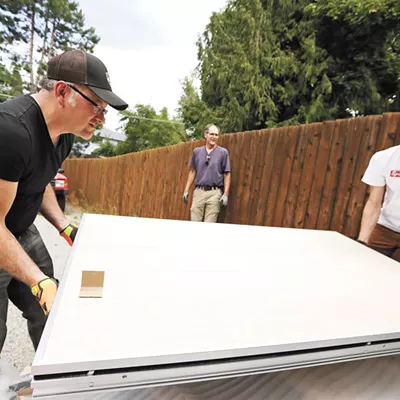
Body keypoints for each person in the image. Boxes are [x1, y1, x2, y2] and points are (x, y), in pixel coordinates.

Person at [0, 49, 128, 352]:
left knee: (50, 313)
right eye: (96, 105)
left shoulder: (66, 134)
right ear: (62, 91)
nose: (100, 118)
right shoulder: (11, 130)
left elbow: (38, 181)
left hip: (21, 229)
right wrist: (36, 279)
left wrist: (62, 225)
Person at [358, 145, 400, 261]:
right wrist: (362, 241)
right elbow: (373, 203)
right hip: (385, 228)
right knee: (366, 267)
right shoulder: (383, 158)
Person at [183, 124, 231, 222]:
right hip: (199, 192)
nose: (214, 137)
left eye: (216, 135)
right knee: (194, 223)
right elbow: (192, 171)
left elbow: (227, 174)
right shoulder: (197, 152)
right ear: (206, 134)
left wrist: (225, 194)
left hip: (214, 193)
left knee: (209, 226)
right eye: (212, 134)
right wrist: (186, 190)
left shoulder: (223, 153)